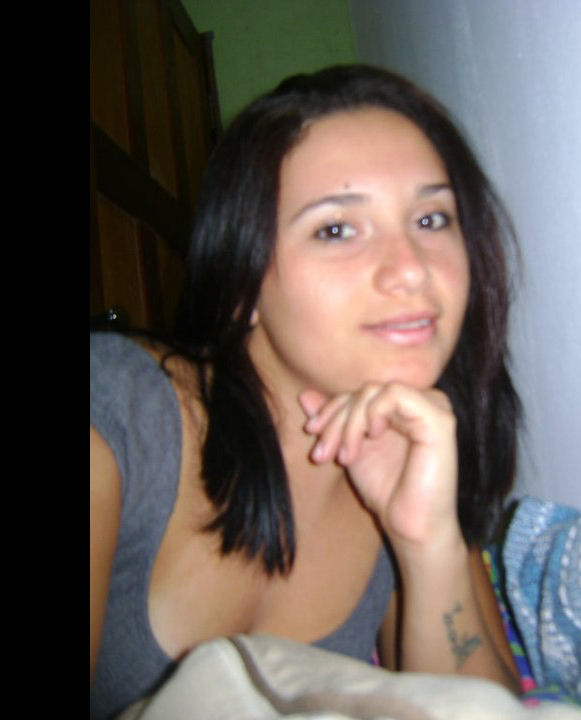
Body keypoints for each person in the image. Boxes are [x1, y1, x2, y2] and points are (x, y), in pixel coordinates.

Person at [90, 64, 522, 719]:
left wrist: (427, 543)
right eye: (336, 229)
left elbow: (486, 709)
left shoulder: (416, 448)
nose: (412, 269)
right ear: (241, 284)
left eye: (433, 218)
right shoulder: (115, 415)